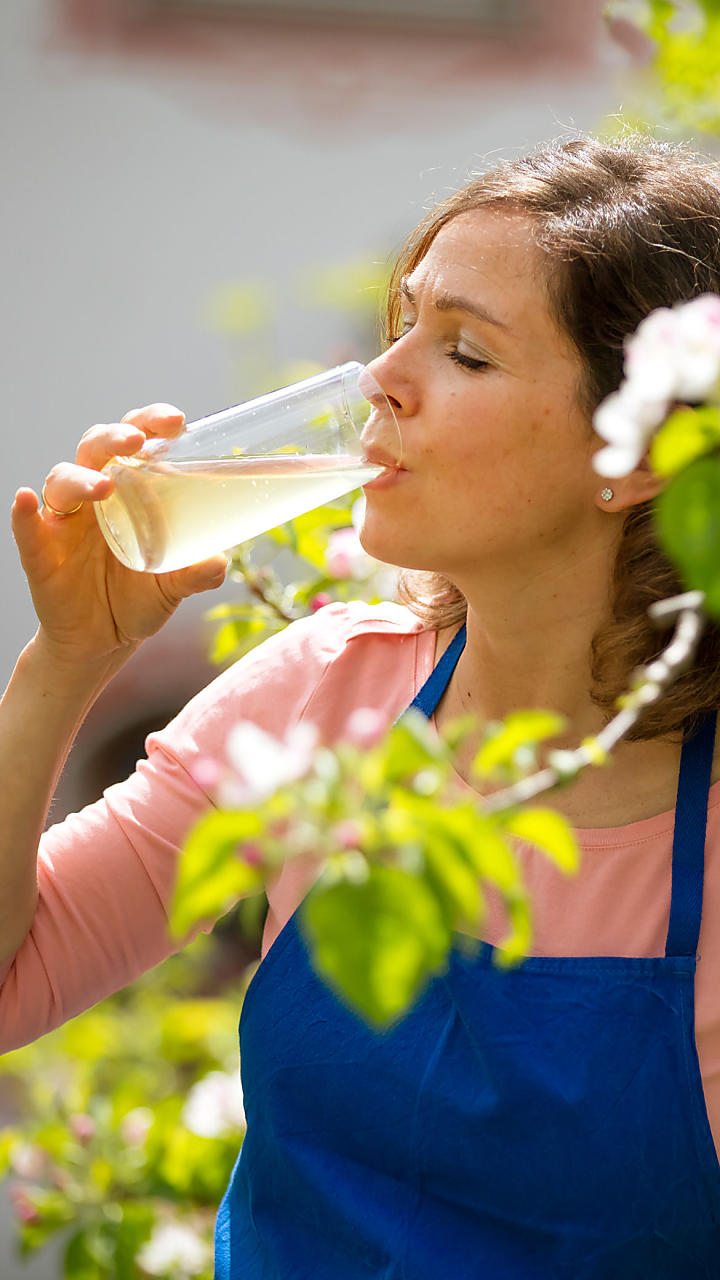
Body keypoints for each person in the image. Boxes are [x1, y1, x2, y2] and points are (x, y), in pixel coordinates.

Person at [2, 133, 720, 1278]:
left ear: (634, 454)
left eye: (465, 354)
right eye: (405, 324)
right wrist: (65, 660)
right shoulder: (328, 691)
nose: (382, 377)